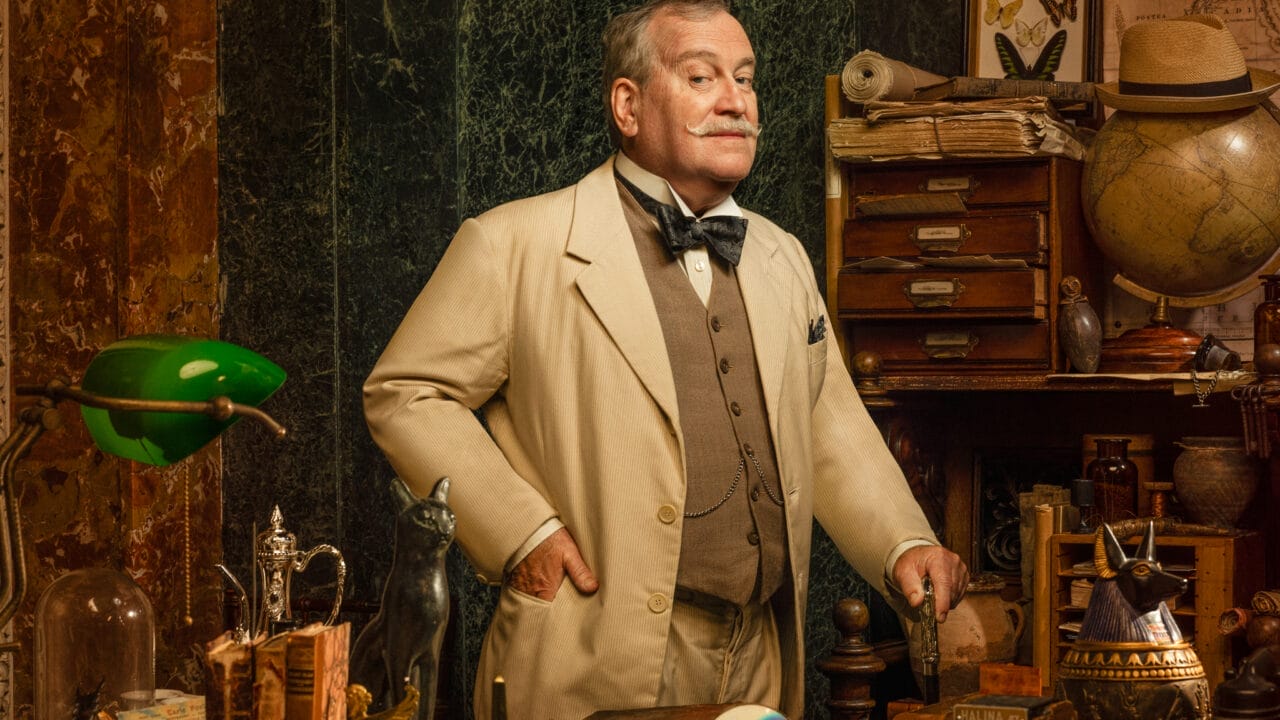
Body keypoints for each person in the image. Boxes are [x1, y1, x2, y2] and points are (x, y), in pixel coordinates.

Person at [363, 1, 968, 717]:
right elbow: (405, 392)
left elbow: (826, 421)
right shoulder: (514, 245)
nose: (735, 101)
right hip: (592, 646)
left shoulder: (781, 255)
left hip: (761, 650)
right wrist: (521, 532)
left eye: (745, 79)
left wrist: (902, 543)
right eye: (702, 77)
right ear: (628, 105)